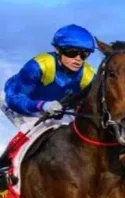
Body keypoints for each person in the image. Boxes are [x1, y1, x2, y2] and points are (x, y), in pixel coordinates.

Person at [0, 24, 97, 178]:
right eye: (72, 53)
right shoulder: (39, 65)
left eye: (84, 54)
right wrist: (42, 105)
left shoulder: (87, 75)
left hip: (57, 106)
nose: (78, 59)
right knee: (32, 128)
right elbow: (15, 99)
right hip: (18, 101)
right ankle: (4, 168)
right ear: (58, 50)